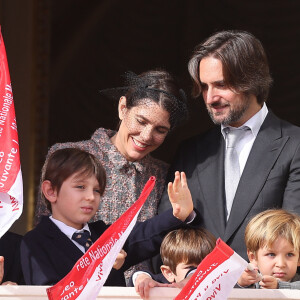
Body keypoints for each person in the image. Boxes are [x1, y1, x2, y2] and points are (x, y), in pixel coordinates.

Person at [158, 30, 300, 262]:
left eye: (221, 84)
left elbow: (296, 239)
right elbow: (167, 237)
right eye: (204, 87)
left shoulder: (295, 146)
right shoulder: (191, 152)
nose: (210, 98)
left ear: (252, 80)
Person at [21, 148, 197, 286]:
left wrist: (178, 214)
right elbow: (50, 292)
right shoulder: (34, 242)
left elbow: (144, 235)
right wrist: (100, 266)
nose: (91, 196)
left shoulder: (104, 235)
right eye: (80, 187)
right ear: (51, 191)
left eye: (97, 190)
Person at [133, 227, 216, 299]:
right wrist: (143, 278)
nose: (200, 274)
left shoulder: (222, 283)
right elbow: (143, 278)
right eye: (190, 268)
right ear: (169, 273)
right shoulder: (165, 285)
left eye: (207, 267)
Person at [237, 209, 300, 289]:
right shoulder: (251, 281)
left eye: (289, 254)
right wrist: (242, 283)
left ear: (298, 259)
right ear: (253, 257)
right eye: (271, 254)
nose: (280, 264)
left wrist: (279, 286)